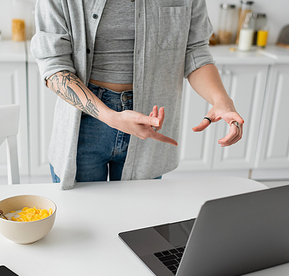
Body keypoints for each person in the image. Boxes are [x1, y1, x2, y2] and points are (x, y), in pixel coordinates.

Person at [30, 0, 244, 190]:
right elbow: (54, 64)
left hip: (149, 121)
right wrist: (111, 117)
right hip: (84, 122)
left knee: (139, 222)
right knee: (83, 221)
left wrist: (221, 100)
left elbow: (194, 49)